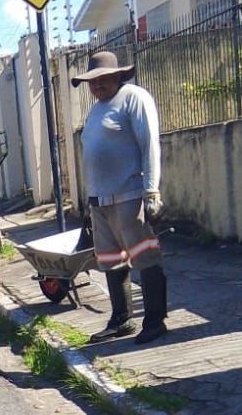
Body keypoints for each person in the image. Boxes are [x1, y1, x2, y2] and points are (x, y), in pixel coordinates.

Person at [72, 50, 169, 346]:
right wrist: (89, 199)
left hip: (130, 195)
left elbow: (149, 145)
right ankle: (121, 319)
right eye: (92, 81)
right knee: (111, 261)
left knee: (144, 256)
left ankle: (155, 321)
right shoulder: (96, 110)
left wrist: (152, 191)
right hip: (100, 200)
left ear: (118, 76)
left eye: (102, 79)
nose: (96, 85)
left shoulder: (134, 98)